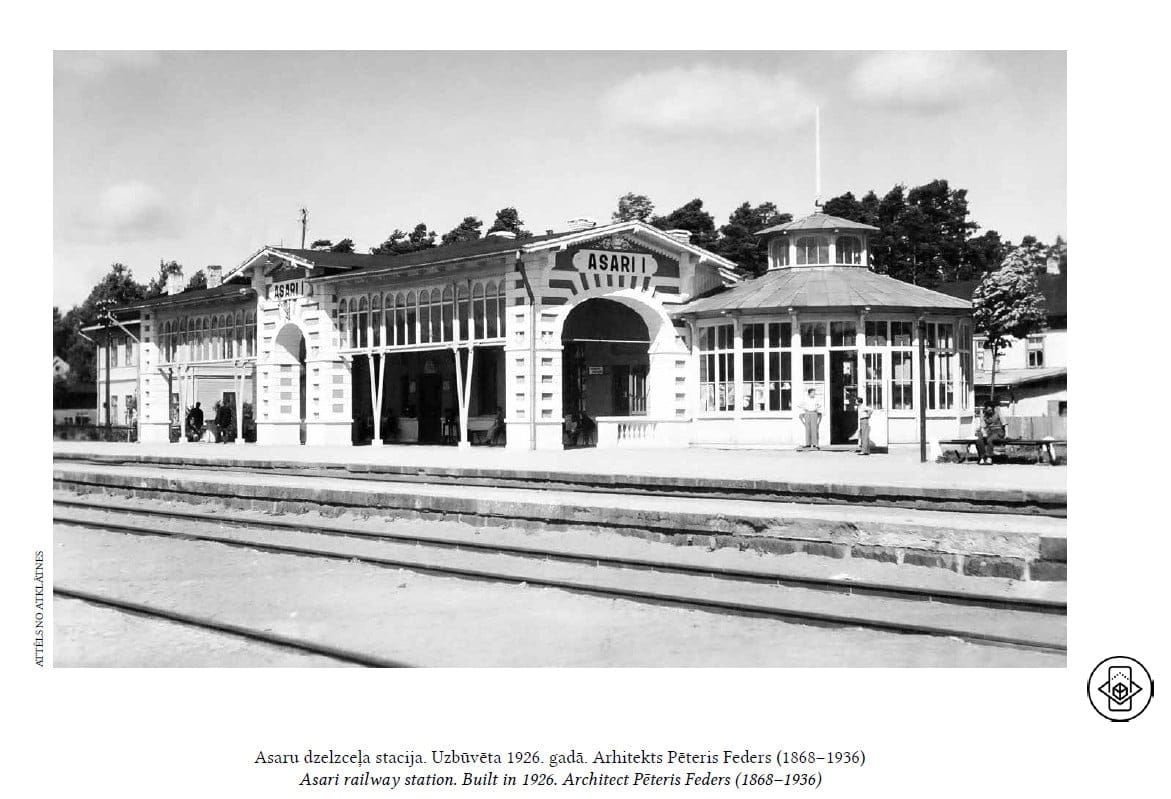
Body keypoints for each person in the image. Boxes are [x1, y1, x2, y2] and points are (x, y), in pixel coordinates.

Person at [975, 400, 1006, 465]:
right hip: (989, 431)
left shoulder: (998, 412)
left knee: (990, 439)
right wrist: (983, 431)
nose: (990, 411)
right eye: (988, 410)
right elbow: (982, 425)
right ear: (986, 409)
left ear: (993, 408)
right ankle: (982, 457)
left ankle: (989, 457)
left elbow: (1004, 423)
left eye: (991, 410)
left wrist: (1005, 434)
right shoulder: (984, 414)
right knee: (979, 440)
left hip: (998, 431)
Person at [855, 392, 872, 456]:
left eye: (856, 401)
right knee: (862, 435)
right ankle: (866, 450)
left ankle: (864, 451)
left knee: (864, 436)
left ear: (859, 401)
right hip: (862, 421)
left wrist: (869, 415)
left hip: (864, 420)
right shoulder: (859, 407)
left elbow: (871, 409)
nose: (855, 402)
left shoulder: (863, 406)